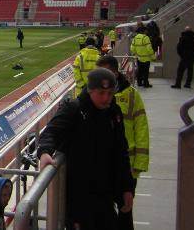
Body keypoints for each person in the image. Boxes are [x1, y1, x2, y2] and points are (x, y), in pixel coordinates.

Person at [37, 68, 134, 230]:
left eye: (110, 93)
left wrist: (127, 188)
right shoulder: (74, 109)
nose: (106, 98)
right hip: (79, 200)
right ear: (90, 91)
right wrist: (45, 152)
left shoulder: (113, 113)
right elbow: (51, 131)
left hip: (106, 195)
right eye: (101, 93)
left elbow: (121, 152)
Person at [96, 55, 149, 230]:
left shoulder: (131, 95)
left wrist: (139, 164)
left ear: (116, 73)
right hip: (101, 164)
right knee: (103, 211)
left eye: (107, 73)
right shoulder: (91, 95)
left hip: (127, 166)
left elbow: (141, 129)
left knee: (125, 211)